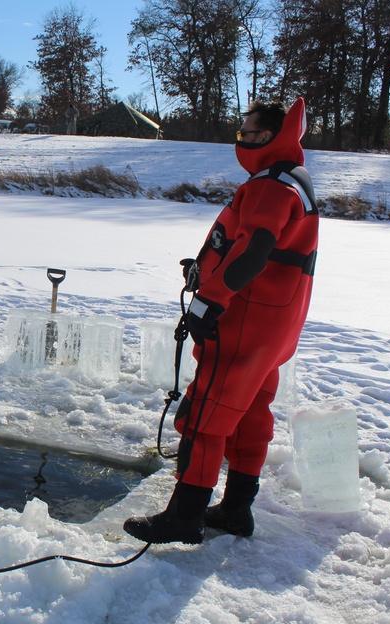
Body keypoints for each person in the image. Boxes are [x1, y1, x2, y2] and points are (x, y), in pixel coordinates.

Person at [124, 98, 319, 544]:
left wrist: (208, 299)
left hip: (245, 323)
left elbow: (255, 250)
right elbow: (257, 249)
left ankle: (185, 517)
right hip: (275, 327)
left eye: (249, 131)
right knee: (250, 413)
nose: (242, 138)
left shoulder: (271, 186)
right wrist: (205, 266)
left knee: (204, 418)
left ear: (272, 136)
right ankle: (235, 510)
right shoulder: (294, 179)